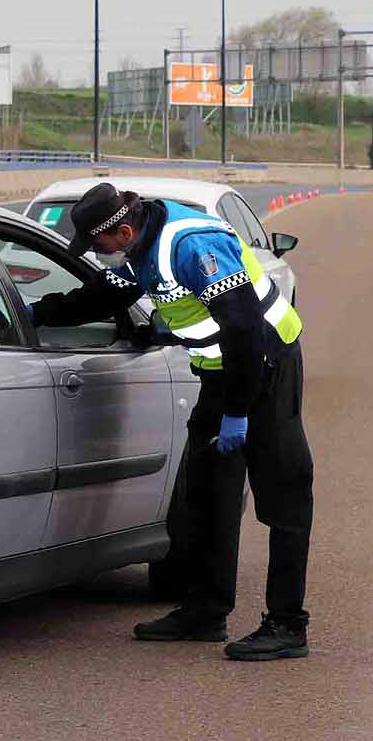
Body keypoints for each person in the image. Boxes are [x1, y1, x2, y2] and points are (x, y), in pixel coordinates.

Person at [28, 182, 314, 660]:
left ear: (121, 230)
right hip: (224, 373)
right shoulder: (139, 246)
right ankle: (205, 610)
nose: (98, 256)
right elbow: (102, 296)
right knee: (204, 494)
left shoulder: (191, 247)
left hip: (266, 366)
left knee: (282, 496)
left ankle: (287, 624)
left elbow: (244, 329)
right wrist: (36, 311)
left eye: (98, 246)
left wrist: (239, 414)